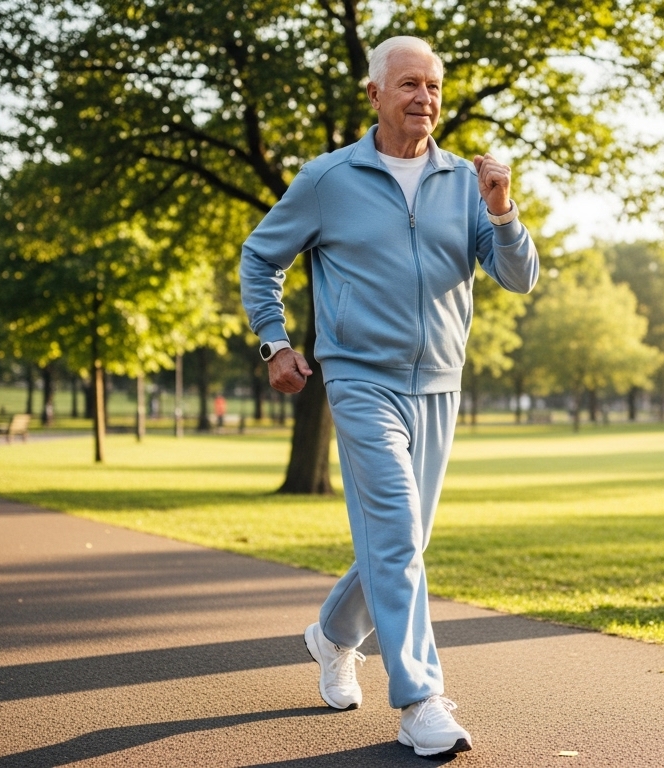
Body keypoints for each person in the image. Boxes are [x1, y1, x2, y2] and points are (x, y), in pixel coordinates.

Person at [240, 36, 538, 758]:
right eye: (408, 85)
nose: (424, 99)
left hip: (439, 384)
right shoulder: (327, 179)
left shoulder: (467, 182)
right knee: (399, 536)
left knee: (404, 541)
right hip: (360, 378)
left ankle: (333, 634)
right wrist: (275, 342)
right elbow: (260, 256)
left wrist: (502, 212)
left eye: (433, 87)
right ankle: (420, 700)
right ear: (373, 95)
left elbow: (519, 277)